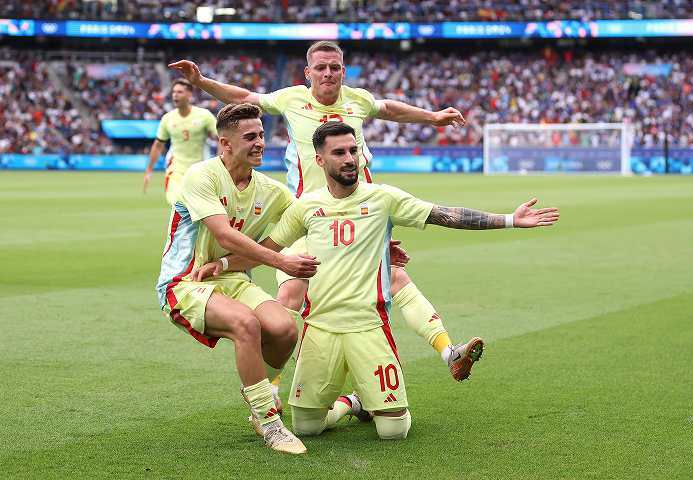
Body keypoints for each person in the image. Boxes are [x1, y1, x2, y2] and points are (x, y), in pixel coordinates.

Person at [193, 122, 560, 440]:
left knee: (394, 432)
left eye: (353, 150)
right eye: (339, 152)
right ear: (320, 161)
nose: (350, 158)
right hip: (319, 329)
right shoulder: (306, 207)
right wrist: (223, 263)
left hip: (369, 327)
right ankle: (352, 403)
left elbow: (445, 215)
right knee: (306, 427)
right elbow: (267, 248)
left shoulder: (383, 198)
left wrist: (510, 219)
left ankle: (370, 399)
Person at [169, 41, 479, 382]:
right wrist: (202, 83)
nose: (328, 73)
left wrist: (433, 117)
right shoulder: (291, 99)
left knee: (395, 279)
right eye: (321, 67)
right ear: (308, 73)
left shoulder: (357, 100)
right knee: (290, 292)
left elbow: (389, 108)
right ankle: (272, 387)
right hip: (308, 217)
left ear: (343, 71)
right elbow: (244, 97)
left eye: (335, 67)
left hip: (358, 216)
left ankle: (448, 352)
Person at [155, 103, 321, 454]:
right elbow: (225, 234)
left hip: (229, 277)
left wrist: (379, 243)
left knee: (284, 329)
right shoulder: (202, 175)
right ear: (225, 143)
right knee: (247, 325)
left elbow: (316, 217)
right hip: (184, 283)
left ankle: (264, 392)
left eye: (261, 135)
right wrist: (281, 261)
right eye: (250, 137)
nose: (260, 142)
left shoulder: (270, 191)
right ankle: (270, 422)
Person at [144, 78, 218, 204]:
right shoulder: (167, 118)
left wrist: (223, 164)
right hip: (175, 171)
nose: (175, 95)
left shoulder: (204, 116)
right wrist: (149, 170)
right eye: (173, 92)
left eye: (179, 92)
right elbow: (158, 145)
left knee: (198, 209)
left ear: (189, 94)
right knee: (178, 204)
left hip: (200, 171)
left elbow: (221, 139)